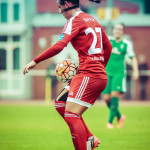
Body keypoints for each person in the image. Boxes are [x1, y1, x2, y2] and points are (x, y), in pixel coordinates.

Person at [23, 0, 112, 149]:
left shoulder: (74, 20)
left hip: (89, 74)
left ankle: (85, 145)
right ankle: (90, 138)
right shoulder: (92, 20)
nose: (60, 11)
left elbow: (59, 46)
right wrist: (101, 66)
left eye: (59, 7)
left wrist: (35, 61)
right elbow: (107, 46)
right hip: (88, 73)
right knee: (60, 103)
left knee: (71, 115)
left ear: (66, 4)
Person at [102, 23, 139, 129]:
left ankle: (109, 122)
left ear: (123, 31)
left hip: (119, 73)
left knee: (114, 95)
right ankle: (120, 116)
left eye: (120, 29)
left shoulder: (126, 44)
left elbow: (132, 58)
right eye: (116, 29)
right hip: (107, 73)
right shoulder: (108, 40)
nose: (118, 31)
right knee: (106, 98)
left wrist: (135, 71)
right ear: (113, 30)